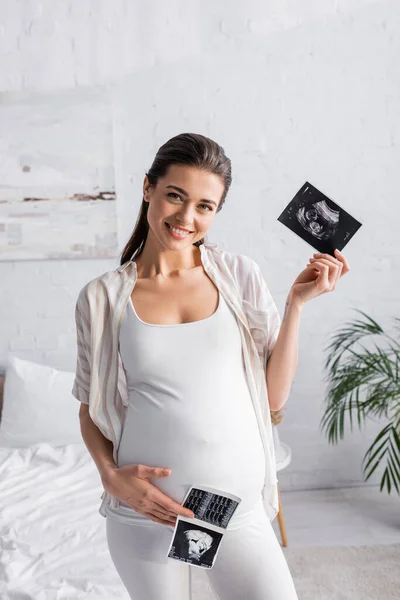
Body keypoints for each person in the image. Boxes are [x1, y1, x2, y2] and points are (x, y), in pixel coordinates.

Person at [72, 133, 350, 599]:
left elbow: (273, 396)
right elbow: (90, 405)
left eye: (205, 206)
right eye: (174, 196)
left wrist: (297, 305)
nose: (186, 218)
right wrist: (111, 477)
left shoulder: (239, 275)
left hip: (234, 509)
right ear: (148, 189)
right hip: (146, 512)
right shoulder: (102, 297)